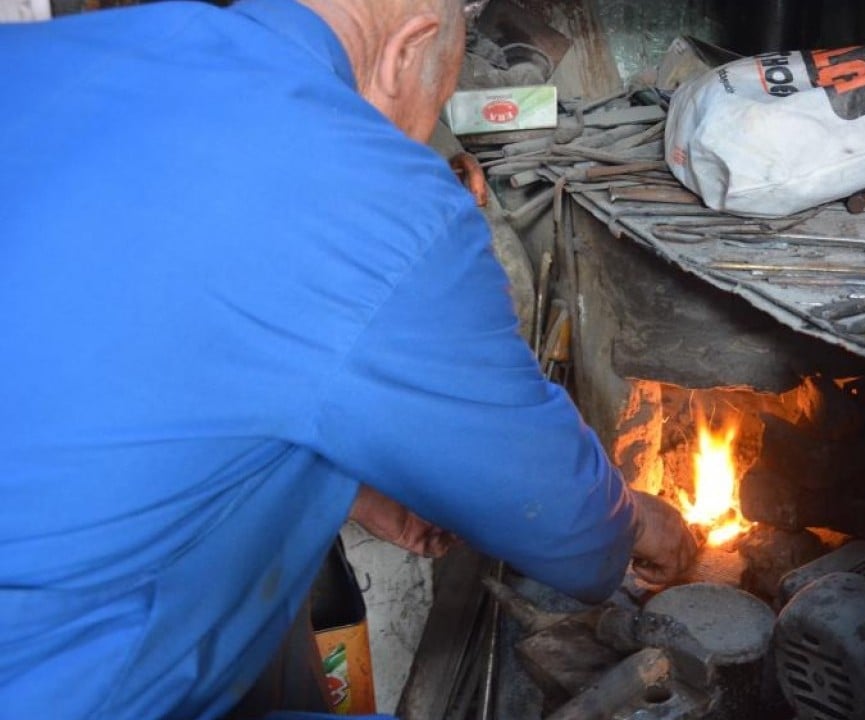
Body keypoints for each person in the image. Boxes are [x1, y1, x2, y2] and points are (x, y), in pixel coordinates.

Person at [0, 0, 697, 716]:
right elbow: (562, 525)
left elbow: (128, 360)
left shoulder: (45, 57)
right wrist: (639, 524)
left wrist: (349, 488)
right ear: (408, 49)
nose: (421, 135)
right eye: (432, 106)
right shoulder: (369, 192)